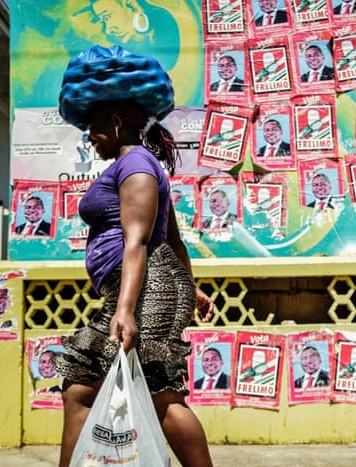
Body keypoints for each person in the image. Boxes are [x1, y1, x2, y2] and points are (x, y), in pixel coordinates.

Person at [54, 44, 214, 467]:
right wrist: (190, 286)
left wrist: (125, 310)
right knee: (80, 388)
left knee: (159, 394)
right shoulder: (139, 165)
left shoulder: (137, 166)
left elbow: (139, 242)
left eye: (92, 127)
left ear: (116, 119)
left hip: (146, 287)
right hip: (154, 283)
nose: (89, 136)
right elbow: (175, 239)